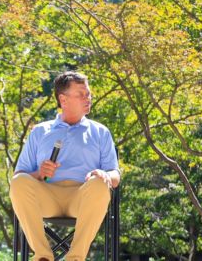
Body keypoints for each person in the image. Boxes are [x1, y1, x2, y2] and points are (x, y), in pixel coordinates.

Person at [10, 71, 121, 261]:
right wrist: (39, 173)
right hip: (47, 196)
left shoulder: (101, 132)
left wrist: (105, 174)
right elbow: (19, 175)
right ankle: (43, 256)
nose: (88, 98)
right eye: (81, 94)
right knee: (19, 181)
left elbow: (115, 176)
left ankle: (75, 257)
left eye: (88, 94)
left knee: (100, 183)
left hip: (82, 198)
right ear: (63, 99)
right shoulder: (39, 132)